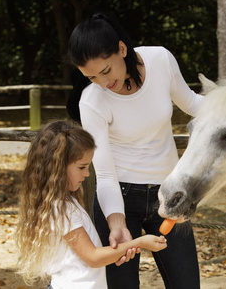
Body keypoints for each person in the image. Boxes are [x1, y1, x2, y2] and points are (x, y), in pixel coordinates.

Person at [66, 12, 204, 288]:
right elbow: (104, 174)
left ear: (121, 49)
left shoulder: (159, 60)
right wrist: (117, 224)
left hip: (170, 195)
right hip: (118, 198)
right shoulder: (92, 100)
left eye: (105, 71)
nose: (103, 82)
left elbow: (193, 104)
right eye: (90, 76)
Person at [14, 120, 167, 289]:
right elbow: (93, 257)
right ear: (58, 167)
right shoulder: (63, 209)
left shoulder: (62, 203)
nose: (87, 174)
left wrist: (121, 250)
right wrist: (140, 242)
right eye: (82, 167)